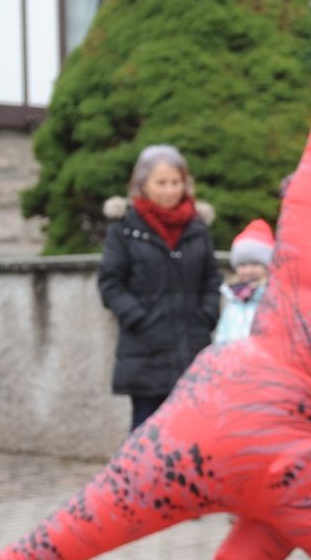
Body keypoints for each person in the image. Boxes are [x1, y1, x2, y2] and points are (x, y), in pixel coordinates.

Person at [97, 144, 222, 431]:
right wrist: (139, 318)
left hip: (192, 344)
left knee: (193, 428)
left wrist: (206, 315)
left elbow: (211, 279)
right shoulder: (124, 229)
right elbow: (110, 282)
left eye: (175, 182)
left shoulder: (197, 228)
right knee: (146, 430)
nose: (169, 190)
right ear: (143, 184)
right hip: (145, 349)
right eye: (161, 183)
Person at [214, 219, 274, 344]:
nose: (248, 270)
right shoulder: (232, 296)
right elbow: (223, 332)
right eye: (243, 264)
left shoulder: (273, 297)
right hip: (232, 359)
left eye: (255, 264)